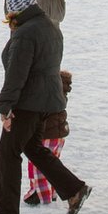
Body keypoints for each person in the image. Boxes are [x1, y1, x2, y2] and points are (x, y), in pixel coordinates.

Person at [0, 0, 91, 214]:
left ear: (15, 9)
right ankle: (74, 190)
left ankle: (5, 211)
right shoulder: (48, 26)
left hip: (28, 102)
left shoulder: (25, 34)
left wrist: (5, 107)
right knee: (34, 149)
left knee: (8, 153)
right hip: (47, 101)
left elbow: (17, 74)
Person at [24, 69, 72, 206]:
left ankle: (40, 194)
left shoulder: (49, 96)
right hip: (59, 135)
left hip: (47, 135)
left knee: (38, 165)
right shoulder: (60, 95)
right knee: (52, 163)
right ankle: (51, 192)